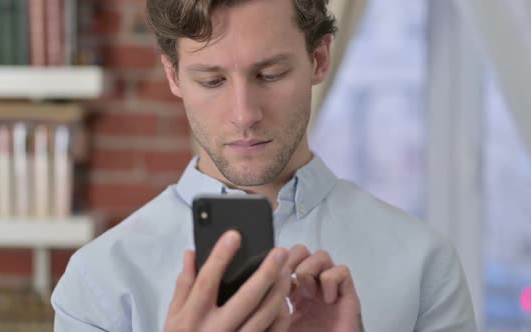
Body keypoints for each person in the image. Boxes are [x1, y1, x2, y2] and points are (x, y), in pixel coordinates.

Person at [51, 0, 477, 330]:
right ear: (174, 76)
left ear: (319, 59)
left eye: (270, 74)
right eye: (212, 81)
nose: (244, 114)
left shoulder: (425, 266)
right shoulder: (99, 282)